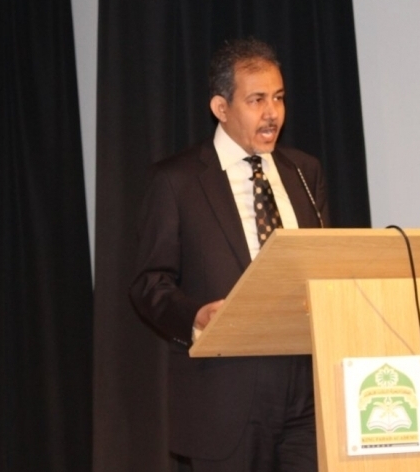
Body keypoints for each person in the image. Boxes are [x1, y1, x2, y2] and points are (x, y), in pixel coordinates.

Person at [129, 37, 330, 472]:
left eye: (278, 98)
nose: (272, 113)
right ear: (221, 108)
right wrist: (195, 316)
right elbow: (149, 284)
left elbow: (322, 267)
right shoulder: (177, 181)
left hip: (307, 391)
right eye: (257, 100)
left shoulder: (304, 171)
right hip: (225, 393)